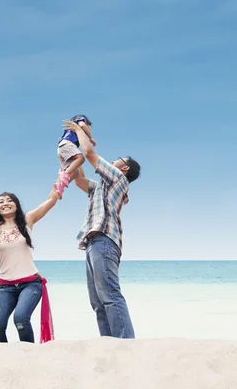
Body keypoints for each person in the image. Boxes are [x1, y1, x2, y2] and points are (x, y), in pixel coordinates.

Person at [62, 119, 141, 339]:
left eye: (119, 159)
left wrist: (79, 130)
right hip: (94, 242)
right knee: (97, 300)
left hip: (105, 240)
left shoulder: (118, 179)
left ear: (124, 168)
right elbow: (79, 180)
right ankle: (108, 342)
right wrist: (69, 154)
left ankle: (125, 343)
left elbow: (89, 154)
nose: (114, 160)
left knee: (110, 295)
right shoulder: (100, 187)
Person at [0, 186, 61, 343]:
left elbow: (51, 200)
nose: (5, 203)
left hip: (30, 284)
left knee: (21, 319)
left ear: (16, 204)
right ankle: (2, 359)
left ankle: (29, 355)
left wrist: (62, 179)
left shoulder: (27, 219)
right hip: (5, 287)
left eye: (9, 200)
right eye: (1, 201)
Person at [54, 115, 97, 199]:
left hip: (62, 148)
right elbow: (82, 125)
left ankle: (59, 187)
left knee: (76, 172)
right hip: (67, 144)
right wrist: (91, 137)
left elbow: (80, 179)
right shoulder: (80, 119)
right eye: (88, 129)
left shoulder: (72, 133)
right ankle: (64, 174)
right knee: (81, 159)